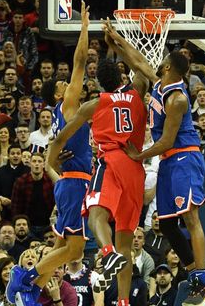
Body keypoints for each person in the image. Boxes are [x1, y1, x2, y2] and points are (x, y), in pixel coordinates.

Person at [106, 21, 205, 304]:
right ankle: (194, 273)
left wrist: (138, 156)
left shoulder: (177, 99)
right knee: (166, 224)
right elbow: (138, 60)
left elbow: (167, 140)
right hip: (168, 161)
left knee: (190, 218)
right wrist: (117, 40)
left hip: (184, 157)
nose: (158, 62)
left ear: (168, 68)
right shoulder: (159, 83)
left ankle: (202, 275)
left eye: (162, 61)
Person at [45, 56, 148, 306]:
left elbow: (60, 139)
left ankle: (106, 253)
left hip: (111, 161)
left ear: (99, 83)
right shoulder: (136, 94)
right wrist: (120, 47)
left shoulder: (93, 104)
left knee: (95, 216)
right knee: (125, 238)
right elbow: (143, 71)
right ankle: (123, 302)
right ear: (122, 78)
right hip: (135, 168)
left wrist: (51, 159)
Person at [8, 2, 91, 304]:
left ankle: (31, 294)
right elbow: (80, 62)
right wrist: (84, 28)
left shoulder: (62, 112)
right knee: (74, 251)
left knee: (60, 247)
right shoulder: (68, 106)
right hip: (75, 183)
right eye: (63, 84)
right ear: (59, 95)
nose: (68, 83)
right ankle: (24, 278)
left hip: (70, 183)